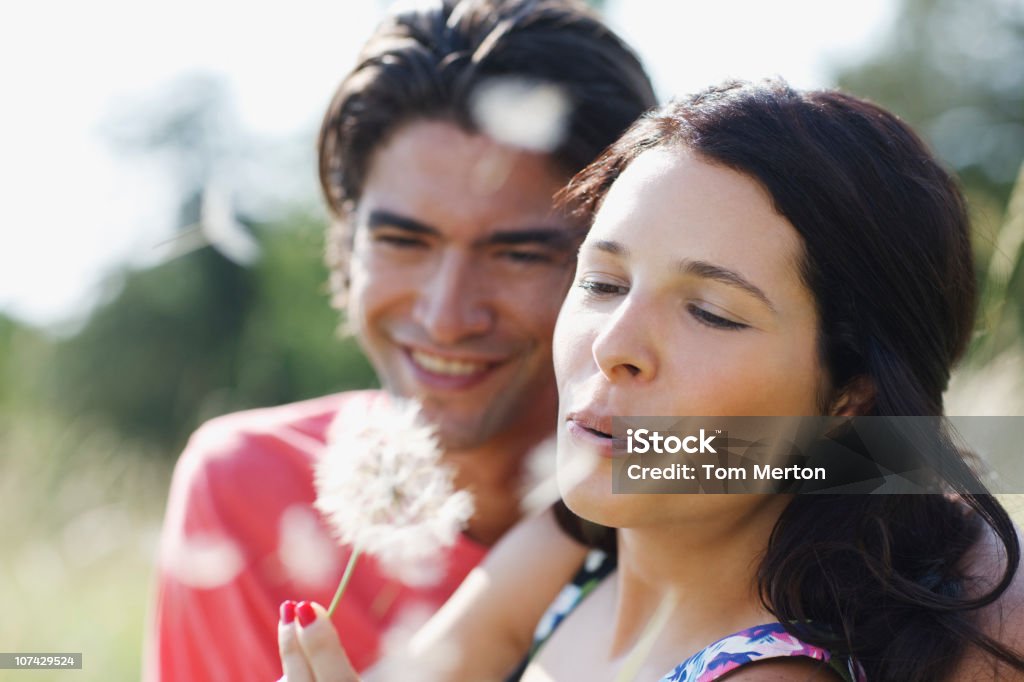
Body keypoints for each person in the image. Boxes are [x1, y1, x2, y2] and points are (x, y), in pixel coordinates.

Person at [276, 80, 1024, 681]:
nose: (613, 346)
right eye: (601, 281)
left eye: (709, 312)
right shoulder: (574, 551)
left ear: (848, 394)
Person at [143, 1, 656, 680]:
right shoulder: (244, 490)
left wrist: (613, 492)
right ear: (345, 249)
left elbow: (841, 456)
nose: (446, 316)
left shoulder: (685, 465)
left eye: (518, 255)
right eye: (402, 241)